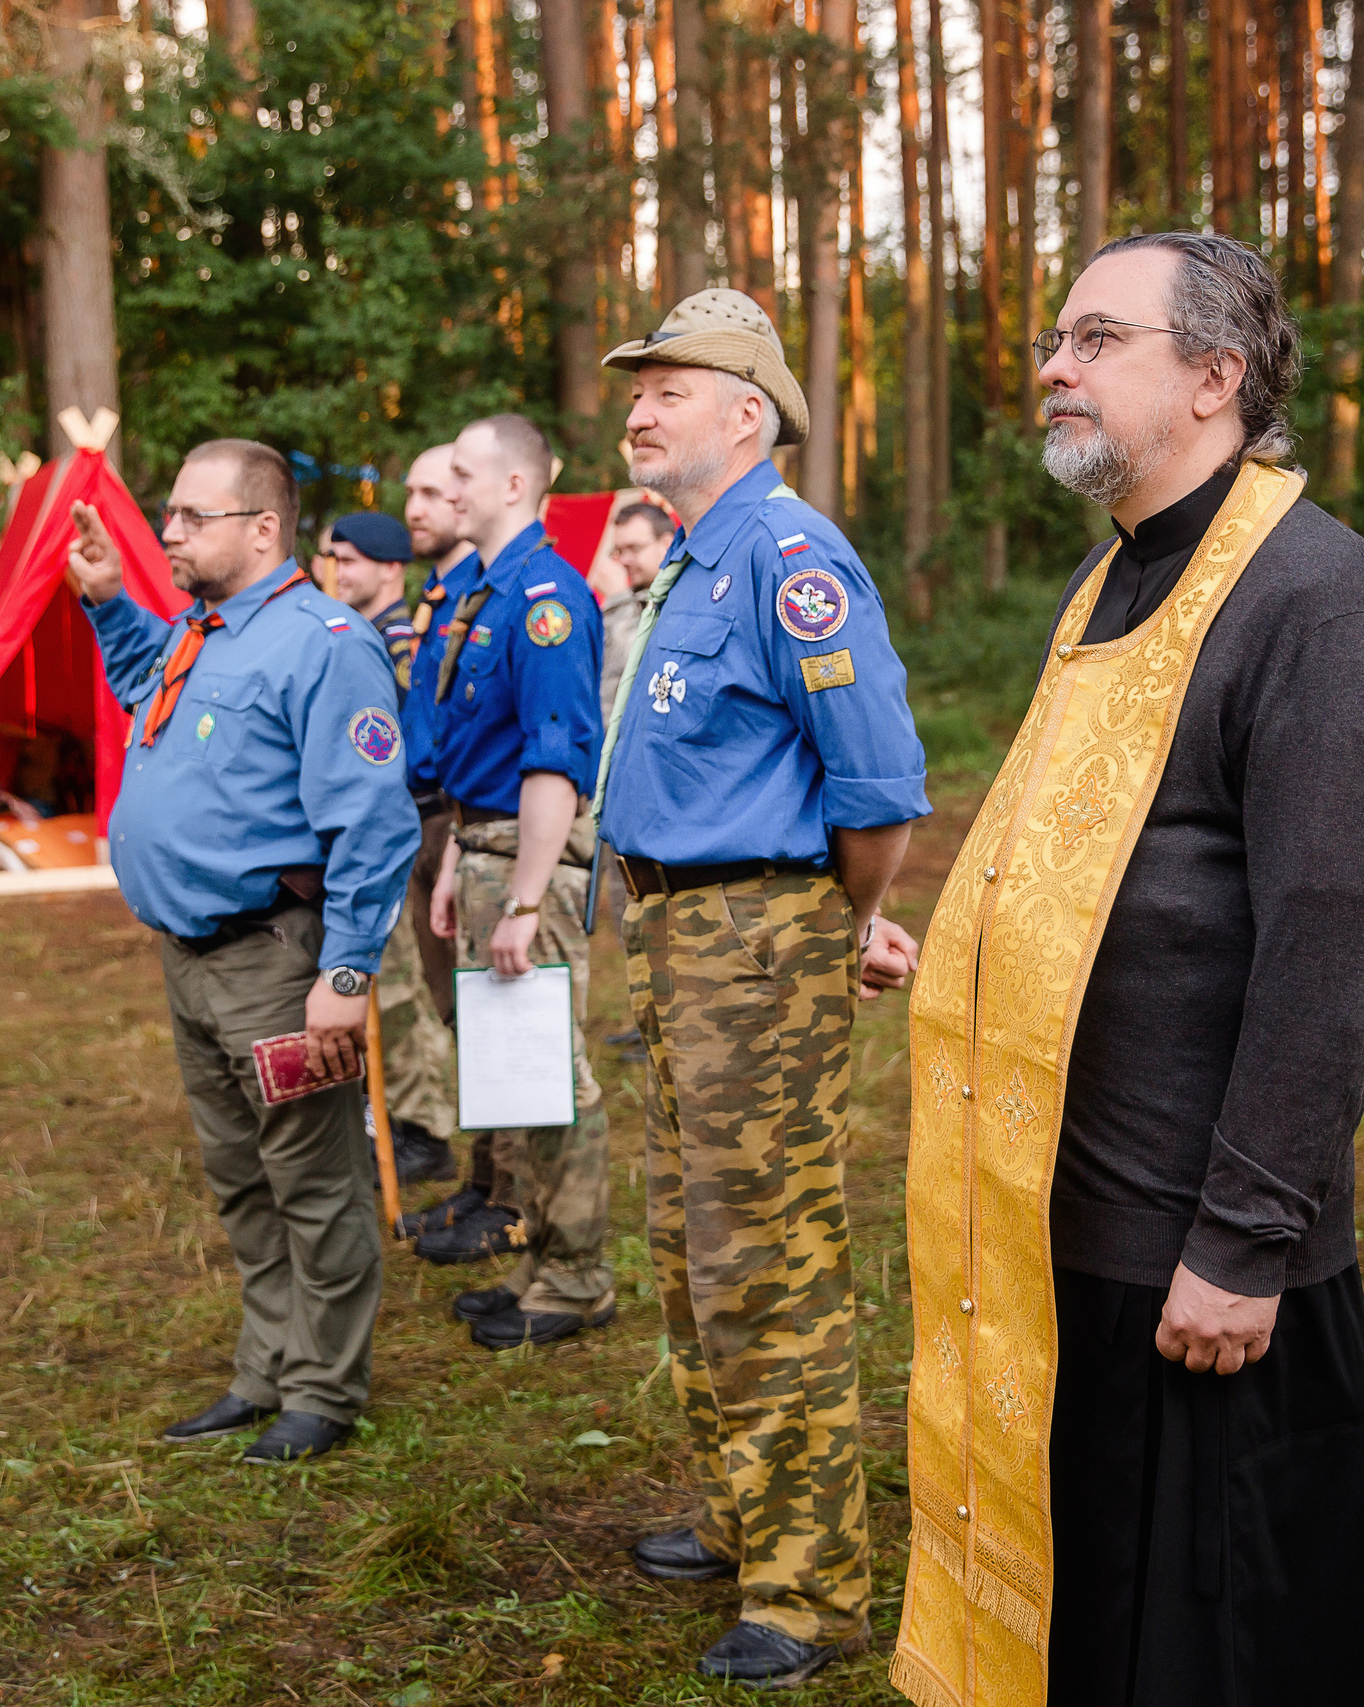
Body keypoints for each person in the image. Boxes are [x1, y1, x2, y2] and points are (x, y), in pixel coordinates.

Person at [890, 232, 1364, 1707]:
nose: (1052, 369)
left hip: (1196, 1253)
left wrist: (1244, 1236)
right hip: (1059, 1220)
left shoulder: (1313, 598)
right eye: (1057, 342)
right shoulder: (1113, 573)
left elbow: (1341, 937)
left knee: (1215, 1636)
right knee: (1101, 1618)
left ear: (1213, 376)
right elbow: (1096, 856)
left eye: (1094, 339)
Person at [593, 288, 929, 1689]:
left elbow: (877, 784)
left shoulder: (790, 555)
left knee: (768, 1262)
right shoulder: (693, 556)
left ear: (750, 413)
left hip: (753, 935)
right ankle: (744, 1511)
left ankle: (812, 1588)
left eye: (670, 385)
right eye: (638, 384)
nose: (638, 405)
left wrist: (832, 922)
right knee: (689, 1253)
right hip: (679, 939)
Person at [68, 438, 420, 1466]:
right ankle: (264, 1368)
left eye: (188, 516)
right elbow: (153, 694)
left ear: (261, 528)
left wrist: (345, 974)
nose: (166, 531)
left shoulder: (325, 642)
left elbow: (375, 823)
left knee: (314, 1179)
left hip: (278, 958)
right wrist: (103, 603)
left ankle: (323, 1390)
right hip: (192, 958)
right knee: (242, 1180)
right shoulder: (204, 630)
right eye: (168, 515)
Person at [421, 412, 612, 1348]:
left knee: (553, 1074)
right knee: (518, 1076)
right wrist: (461, 860)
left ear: (511, 487)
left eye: (461, 472)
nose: (446, 487)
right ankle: (541, 1257)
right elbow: (480, 754)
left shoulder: (545, 597)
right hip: (488, 846)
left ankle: (577, 1278)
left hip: (527, 859)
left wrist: (530, 897)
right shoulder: (486, 593)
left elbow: (552, 765)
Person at [393, 445, 515, 1250]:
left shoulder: (509, 597)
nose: (419, 506)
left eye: (437, 491)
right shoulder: (446, 597)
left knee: (502, 1019)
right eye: (413, 491)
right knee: (460, 1011)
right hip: (436, 817)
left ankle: (512, 1198)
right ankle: (485, 1178)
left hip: (480, 821)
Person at [320, 509, 460, 1188]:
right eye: (333, 558)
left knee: (410, 983)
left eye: (349, 560)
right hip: (396, 824)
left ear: (388, 567)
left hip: (418, 822)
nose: (337, 571)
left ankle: (427, 1128)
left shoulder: (395, 642)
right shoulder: (361, 637)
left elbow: (408, 742)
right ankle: (406, 1114)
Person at [596, 500, 673, 724]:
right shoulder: (630, 599)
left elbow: (639, 667)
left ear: (667, 544)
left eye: (634, 548)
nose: (624, 560)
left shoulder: (680, 597)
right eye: (619, 551)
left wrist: (619, 602)